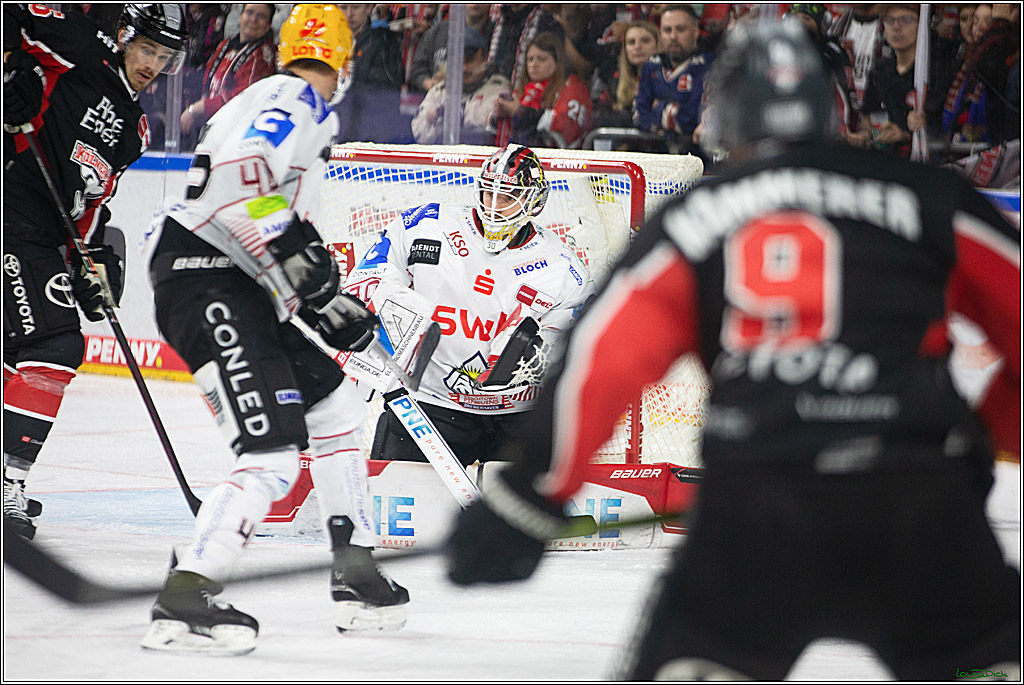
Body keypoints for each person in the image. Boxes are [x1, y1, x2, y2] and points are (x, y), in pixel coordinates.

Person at [445, 19, 1021, 682]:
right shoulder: (933, 199)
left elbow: (604, 360)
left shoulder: (697, 215)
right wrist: (982, 431)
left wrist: (530, 494)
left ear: (728, 115)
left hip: (756, 512)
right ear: (836, 107)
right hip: (924, 508)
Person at [139, 5, 408, 655]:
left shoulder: (268, 95)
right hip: (207, 280)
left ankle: (353, 564)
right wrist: (300, 260)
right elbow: (245, 183)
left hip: (234, 284)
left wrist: (322, 299)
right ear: (341, 65)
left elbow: (263, 209)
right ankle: (189, 589)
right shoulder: (298, 98)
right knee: (270, 453)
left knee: (336, 401)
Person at [3, 3, 187, 541]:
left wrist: (87, 261)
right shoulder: (78, 49)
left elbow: (89, 207)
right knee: (51, 346)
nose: (153, 63)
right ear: (125, 35)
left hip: (40, 237)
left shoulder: (134, 130)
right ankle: (9, 482)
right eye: (148, 48)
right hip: (10, 211)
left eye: (165, 55)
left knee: (32, 349)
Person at [344, 143, 594, 468]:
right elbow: (367, 278)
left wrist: (544, 356)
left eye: (506, 198)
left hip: (517, 416)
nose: (492, 207)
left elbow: (580, 344)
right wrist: (386, 306)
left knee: (522, 515)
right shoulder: (426, 224)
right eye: (488, 193)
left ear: (534, 201)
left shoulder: (563, 267)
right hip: (430, 403)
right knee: (397, 500)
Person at [179, 3, 277, 151]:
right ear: (240, 17)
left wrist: (198, 108)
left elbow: (242, 99)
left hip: (235, 137)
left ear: (269, 25)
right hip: (211, 128)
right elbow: (206, 79)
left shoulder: (262, 56)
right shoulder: (226, 45)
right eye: (249, 13)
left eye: (261, 16)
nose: (253, 19)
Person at [633, 4, 713, 154]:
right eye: (667, 30)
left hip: (697, 161)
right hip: (656, 160)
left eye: (680, 29)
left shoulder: (708, 66)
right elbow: (639, 117)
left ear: (695, 32)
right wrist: (674, 113)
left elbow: (691, 120)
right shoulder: (651, 66)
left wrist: (658, 108)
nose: (673, 37)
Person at [491, 32, 594, 149]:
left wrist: (523, 114)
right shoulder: (523, 91)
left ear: (557, 62)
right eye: (530, 59)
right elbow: (494, 127)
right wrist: (498, 114)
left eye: (541, 59)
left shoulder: (573, 87)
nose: (534, 64)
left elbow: (567, 130)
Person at [411, 27, 511, 145]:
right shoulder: (439, 90)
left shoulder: (498, 86)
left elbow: (484, 124)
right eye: (459, 61)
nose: (464, 68)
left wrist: (442, 115)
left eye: (469, 60)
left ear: (485, 58)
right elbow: (419, 132)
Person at [846, 4, 922, 157]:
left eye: (905, 20)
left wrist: (904, 135)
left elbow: (939, 129)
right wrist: (863, 136)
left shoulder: (929, 71)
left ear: (921, 26)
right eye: (890, 20)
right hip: (884, 162)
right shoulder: (880, 70)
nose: (896, 27)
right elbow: (868, 120)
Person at [335, 3, 407, 143]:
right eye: (344, 7)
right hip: (340, 132)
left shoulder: (383, 43)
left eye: (355, 7)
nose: (349, 13)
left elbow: (382, 100)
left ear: (368, 8)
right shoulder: (330, 44)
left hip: (370, 137)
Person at [592, 20, 661, 130]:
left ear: (657, 44)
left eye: (645, 41)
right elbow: (599, 117)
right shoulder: (616, 81)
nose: (637, 46)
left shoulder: (668, 80)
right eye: (631, 42)